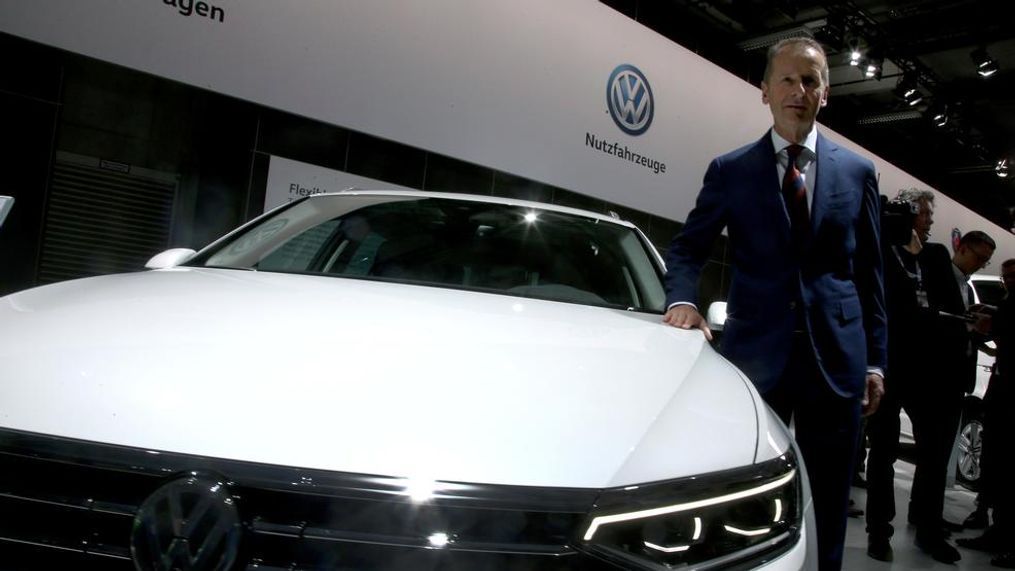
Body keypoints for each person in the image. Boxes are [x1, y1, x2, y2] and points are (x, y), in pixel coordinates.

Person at [661, 37, 886, 571]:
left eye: (809, 80)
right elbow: (689, 248)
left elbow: (871, 277)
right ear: (764, 91)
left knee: (831, 497)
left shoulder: (858, 173)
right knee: (745, 487)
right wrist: (683, 302)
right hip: (755, 358)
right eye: (786, 79)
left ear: (825, 93)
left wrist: (876, 360)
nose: (797, 91)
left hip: (837, 360)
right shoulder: (731, 170)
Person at [864, 189, 967, 563]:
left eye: (927, 215)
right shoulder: (878, 253)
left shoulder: (937, 256)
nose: (928, 221)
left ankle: (928, 529)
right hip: (890, 365)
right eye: (922, 213)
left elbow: (953, 313)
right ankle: (879, 531)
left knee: (934, 454)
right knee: (883, 452)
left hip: (931, 372)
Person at [958, 258, 1015, 568]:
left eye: (1011, 275)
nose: (1007, 280)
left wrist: (987, 325)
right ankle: (995, 530)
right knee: (994, 461)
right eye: (1005, 275)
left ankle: (1005, 537)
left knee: (1005, 467)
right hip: (999, 388)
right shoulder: (1006, 303)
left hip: (1007, 395)